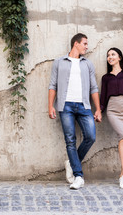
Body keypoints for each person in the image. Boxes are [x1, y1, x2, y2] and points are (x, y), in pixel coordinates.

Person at [48, 33, 102, 190]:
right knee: (70, 140)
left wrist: (98, 108)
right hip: (66, 106)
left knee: (90, 137)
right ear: (75, 44)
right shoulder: (59, 62)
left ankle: (72, 162)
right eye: (84, 43)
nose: (87, 46)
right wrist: (50, 105)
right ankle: (79, 176)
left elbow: (94, 88)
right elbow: (53, 85)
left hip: (84, 106)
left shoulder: (88, 64)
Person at [100, 47, 123, 189]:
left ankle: (122, 174)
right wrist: (98, 112)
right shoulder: (106, 78)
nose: (110, 57)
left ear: (119, 57)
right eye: (108, 55)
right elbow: (103, 98)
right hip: (113, 110)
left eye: (113, 54)